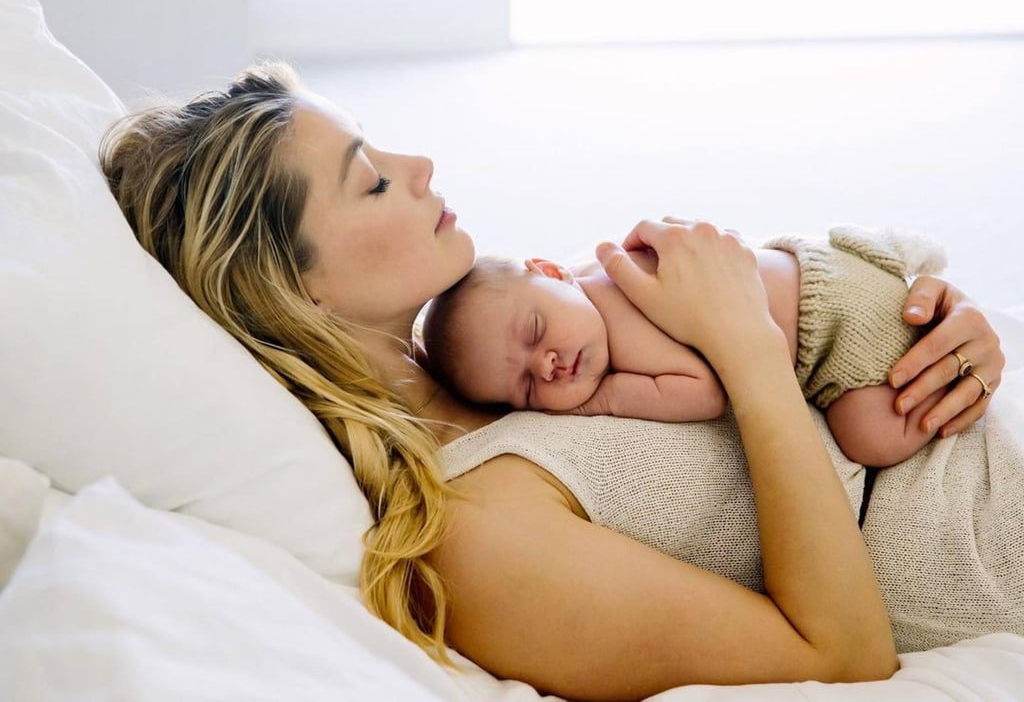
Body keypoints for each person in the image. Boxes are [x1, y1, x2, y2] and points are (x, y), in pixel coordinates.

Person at [99, 62, 1017, 701]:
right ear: (296, 289)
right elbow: (841, 656)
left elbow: (802, 318)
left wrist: (926, 320)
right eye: (372, 181)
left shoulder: (518, 341)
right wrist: (743, 347)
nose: (419, 168)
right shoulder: (475, 532)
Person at [422, 227, 953, 467]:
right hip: (819, 265)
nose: (549, 365)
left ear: (553, 272)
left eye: (536, 333)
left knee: (869, 439)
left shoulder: (616, 306)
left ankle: (946, 397)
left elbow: (703, 394)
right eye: (526, 386)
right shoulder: (594, 272)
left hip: (835, 321)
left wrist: (605, 399)